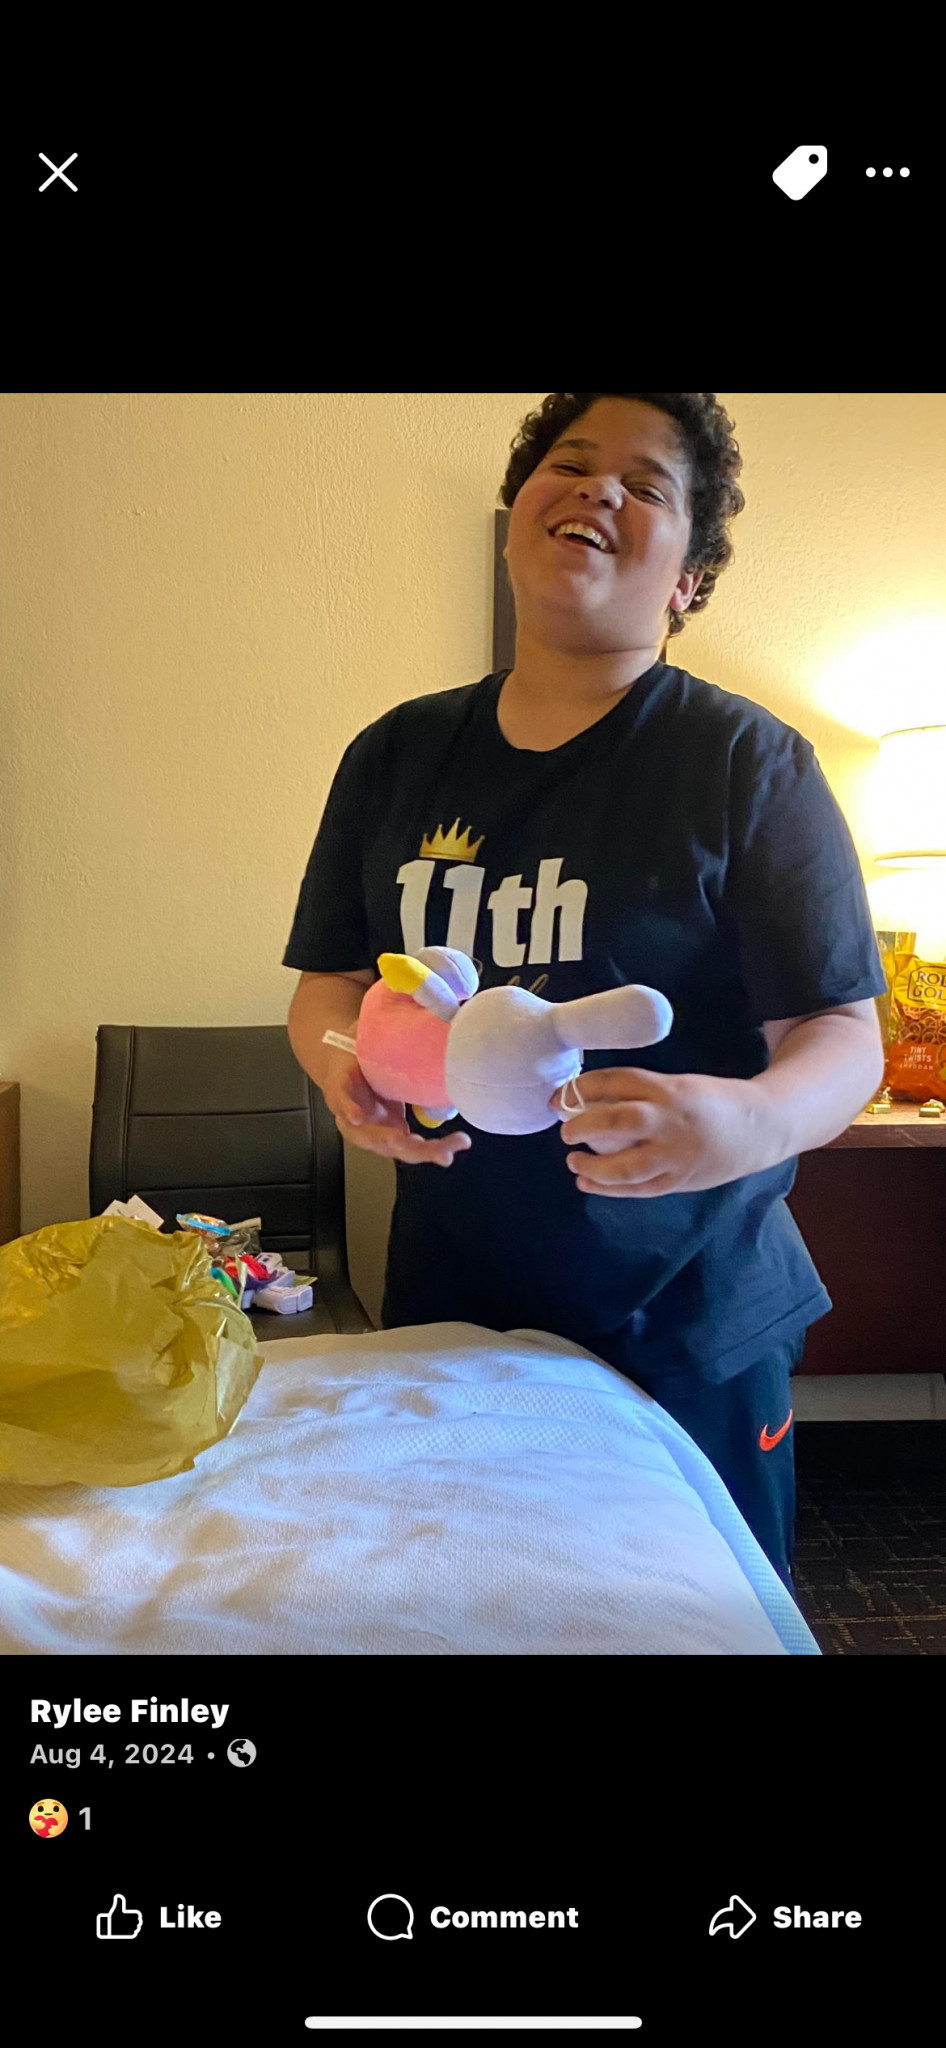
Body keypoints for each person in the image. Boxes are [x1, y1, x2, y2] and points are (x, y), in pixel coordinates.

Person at [284, 392, 886, 1599]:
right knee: (468, 1599)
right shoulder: (393, 756)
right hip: (454, 1311)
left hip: (686, 1317)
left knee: (693, 1610)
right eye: (569, 463)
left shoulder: (748, 762)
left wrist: (749, 1119)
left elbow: (842, 1034)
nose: (598, 488)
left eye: (646, 485)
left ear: (689, 579)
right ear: (517, 515)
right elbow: (330, 987)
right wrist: (344, 1066)